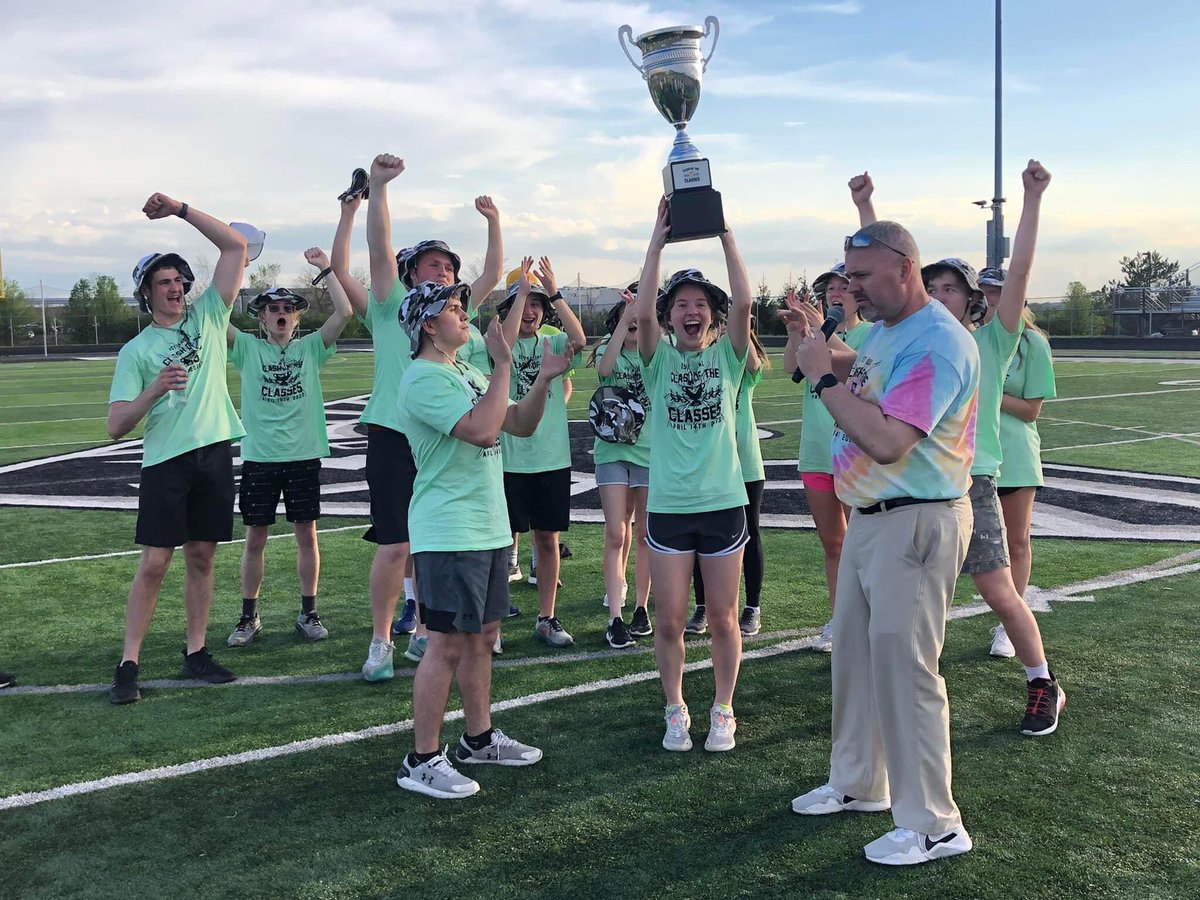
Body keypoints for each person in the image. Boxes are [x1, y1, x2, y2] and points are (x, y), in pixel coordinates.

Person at [788, 219, 979, 865]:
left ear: (905, 270)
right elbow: (857, 366)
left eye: (864, 277)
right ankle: (858, 783)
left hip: (916, 521)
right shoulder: (893, 331)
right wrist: (817, 344)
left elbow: (891, 439)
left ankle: (935, 824)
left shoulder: (940, 343)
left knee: (906, 671)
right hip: (873, 517)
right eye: (849, 276)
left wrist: (822, 378)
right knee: (857, 660)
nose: (853, 289)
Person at [856, 163, 1065, 737]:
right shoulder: (907, 337)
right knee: (910, 610)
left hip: (970, 484)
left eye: (953, 288)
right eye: (936, 285)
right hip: (915, 489)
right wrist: (866, 210)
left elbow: (1019, 269)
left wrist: (1030, 198)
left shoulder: (990, 340)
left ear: (974, 302)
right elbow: (879, 268)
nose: (941, 293)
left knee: (998, 589)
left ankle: (1042, 681)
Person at [394, 277, 575, 799]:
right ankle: (422, 758)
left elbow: (518, 422)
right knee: (445, 643)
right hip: (449, 528)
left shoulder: (464, 370)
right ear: (429, 326)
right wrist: (502, 365)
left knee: (481, 639)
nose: (463, 314)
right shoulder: (423, 378)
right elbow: (481, 430)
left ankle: (477, 738)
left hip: (487, 526)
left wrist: (540, 380)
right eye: (453, 308)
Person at [355, 153, 503, 680]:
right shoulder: (391, 300)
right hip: (397, 434)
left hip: (442, 442)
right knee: (396, 544)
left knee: (433, 543)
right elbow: (377, 244)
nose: (444, 272)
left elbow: (490, 273)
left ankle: (423, 632)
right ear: (409, 272)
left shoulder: (451, 311)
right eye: (433, 264)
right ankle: (379, 641)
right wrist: (378, 188)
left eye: (448, 266)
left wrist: (493, 222)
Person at [106, 193, 248, 704]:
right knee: (155, 563)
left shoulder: (209, 316)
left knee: (204, 556)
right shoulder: (136, 350)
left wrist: (182, 210)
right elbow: (115, 425)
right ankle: (128, 663)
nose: (174, 288)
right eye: (162, 283)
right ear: (146, 294)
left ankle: (196, 652)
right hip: (166, 462)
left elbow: (235, 247)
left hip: (212, 452)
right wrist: (153, 389)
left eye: (178, 280)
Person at [636, 197, 752, 753]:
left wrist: (726, 234)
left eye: (700, 302)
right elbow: (640, 312)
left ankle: (723, 708)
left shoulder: (728, 358)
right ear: (669, 315)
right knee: (670, 620)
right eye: (680, 302)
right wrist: (657, 243)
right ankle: (675, 708)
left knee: (725, 617)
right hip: (669, 508)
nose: (690, 309)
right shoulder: (656, 360)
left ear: (713, 315)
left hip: (723, 503)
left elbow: (747, 301)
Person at [225, 248, 353, 647]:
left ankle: (309, 612)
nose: (280, 313)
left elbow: (345, 312)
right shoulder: (247, 348)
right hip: (260, 457)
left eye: (287, 308)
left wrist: (326, 269)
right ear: (261, 317)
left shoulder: (311, 347)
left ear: (297, 317)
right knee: (255, 539)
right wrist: (237, 267)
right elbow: (215, 316)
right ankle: (249, 616)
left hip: (302, 455)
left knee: (307, 536)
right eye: (272, 308)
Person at [495, 257, 586, 649]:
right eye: (522, 302)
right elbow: (504, 346)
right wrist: (520, 297)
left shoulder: (553, 340)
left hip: (551, 457)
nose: (530, 309)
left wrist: (554, 292)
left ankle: (546, 617)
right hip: (507, 457)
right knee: (499, 542)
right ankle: (493, 620)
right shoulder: (497, 339)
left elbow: (580, 341)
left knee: (547, 540)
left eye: (535, 304)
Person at [784, 258, 873, 652]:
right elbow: (792, 369)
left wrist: (821, 331)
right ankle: (839, 618)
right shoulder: (817, 331)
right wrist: (796, 332)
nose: (835, 294)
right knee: (833, 544)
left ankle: (870, 617)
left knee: (864, 544)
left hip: (856, 452)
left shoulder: (875, 333)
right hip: (818, 452)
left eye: (843, 288)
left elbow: (858, 372)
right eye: (830, 289)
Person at [689, 323, 770, 637]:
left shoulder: (743, 367)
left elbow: (751, 363)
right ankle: (702, 606)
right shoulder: (705, 364)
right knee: (700, 535)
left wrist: (742, 330)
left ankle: (752, 607)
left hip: (745, 465)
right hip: (709, 467)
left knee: (750, 532)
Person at [590, 287, 653, 648]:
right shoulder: (607, 349)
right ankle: (615, 616)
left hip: (649, 453)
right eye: (628, 317)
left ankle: (641, 608)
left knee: (644, 532)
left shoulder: (656, 353)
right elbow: (605, 368)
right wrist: (626, 318)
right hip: (613, 451)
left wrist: (644, 317)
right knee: (617, 532)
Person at [990, 284, 1057, 609]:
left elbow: (1031, 409)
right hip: (974, 454)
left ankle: (1010, 624)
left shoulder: (1033, 343)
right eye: (984, 293)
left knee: (1015, 541)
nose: (990, 300)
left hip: (1015, 455)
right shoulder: (973, 339)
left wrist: (991, 393)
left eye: (997, 293)